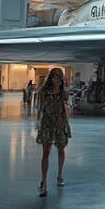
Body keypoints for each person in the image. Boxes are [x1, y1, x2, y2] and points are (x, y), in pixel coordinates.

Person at [36, 67, 71, 197]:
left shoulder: (63, 93)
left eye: (59, 77)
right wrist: (38, 121)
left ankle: (60, 174)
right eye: (54, 77)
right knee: (46, 152)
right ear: (50, 78)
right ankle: (43, 182)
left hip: (60, 123)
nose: (57, 80)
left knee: (61, 150)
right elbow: (40, 108)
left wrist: (66, 122)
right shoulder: (44, 92)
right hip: (47, 123)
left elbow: (66, 108)